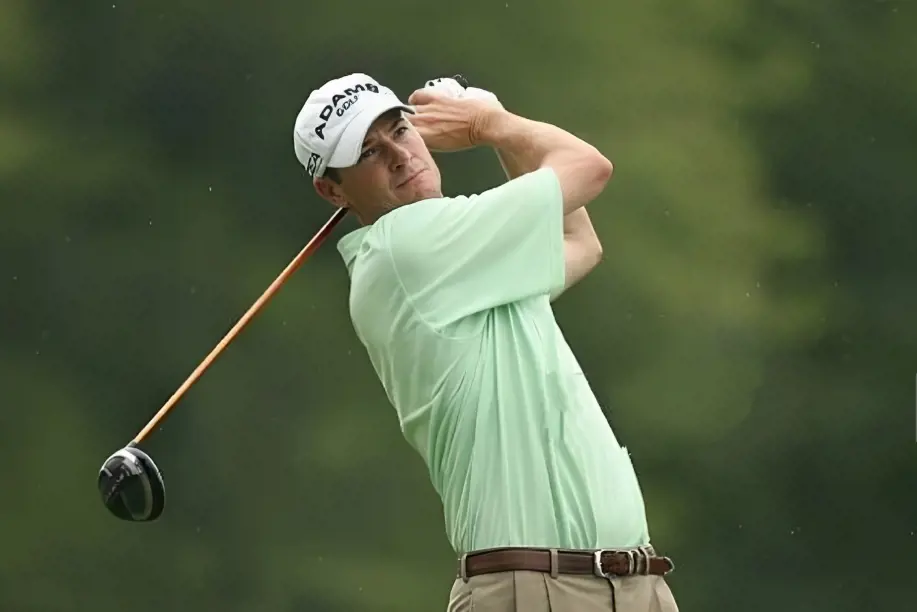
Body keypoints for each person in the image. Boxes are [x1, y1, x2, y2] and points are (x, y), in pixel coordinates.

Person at [292, 72, 679, 612]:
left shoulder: (471, 261)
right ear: (331, 190)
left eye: (400, 130)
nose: (399, 156)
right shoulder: (407, 248)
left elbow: (579, 242)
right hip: (532, 588)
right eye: (369, 152)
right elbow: (590, 168)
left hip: (630, 582)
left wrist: (499, 130)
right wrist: (489, 123)